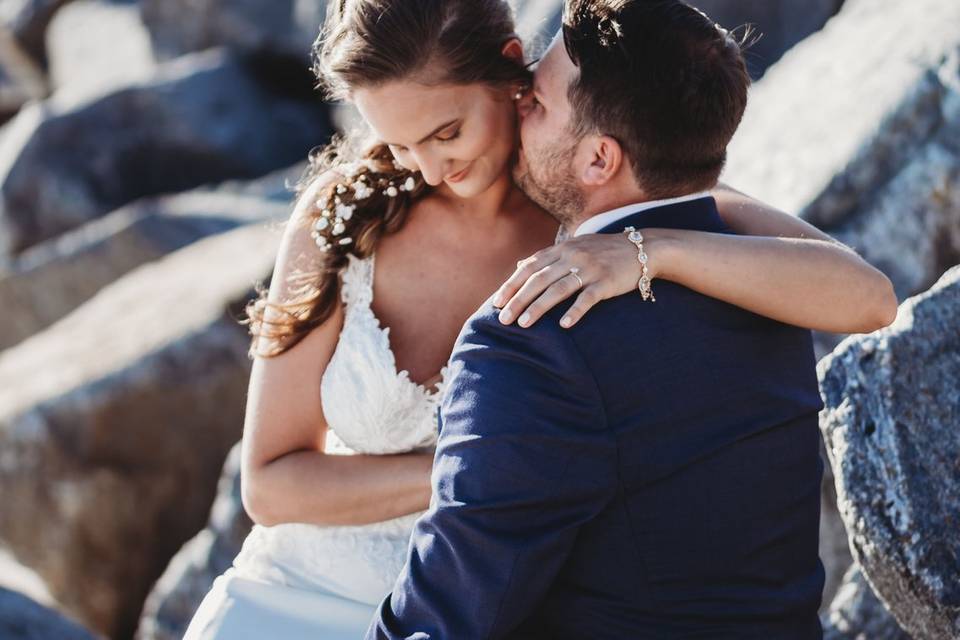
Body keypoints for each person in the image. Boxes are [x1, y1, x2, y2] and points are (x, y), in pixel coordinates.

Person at [184, 1, 896, 638]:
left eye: (446, 132)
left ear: (512, 71)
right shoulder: (342, 216)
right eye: (399, 144)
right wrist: (482, 472)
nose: (427, 169)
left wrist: (653, 253)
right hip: (293, 597)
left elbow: (864, 296)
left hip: (479, 611)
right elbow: (270, 485)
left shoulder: (597, 186)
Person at [368, 1, 861, 638]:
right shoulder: (773, 289)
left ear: (600, 159)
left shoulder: (530, 339)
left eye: (538, 103)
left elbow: (449, 612)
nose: (519, 106)